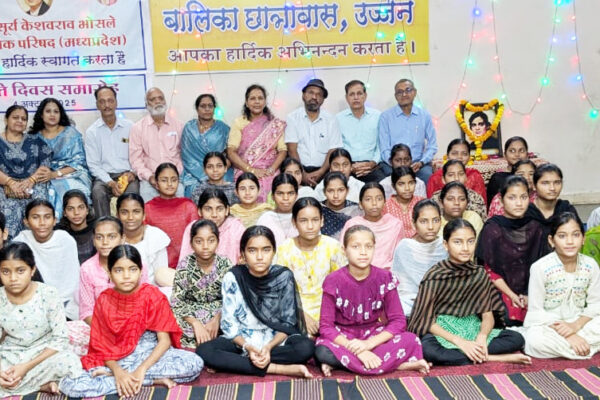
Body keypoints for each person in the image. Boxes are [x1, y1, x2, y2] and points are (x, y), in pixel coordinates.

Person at [59, 245, 203, 398]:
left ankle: (120, 378)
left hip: (150, 352)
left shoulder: (152, 294)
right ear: (109, 273)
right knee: (70, 384)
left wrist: (142, 369)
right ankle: (149, 380)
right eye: (119, 270)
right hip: (117, 357)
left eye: (132, 269)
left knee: (194, 363)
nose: (126, 276)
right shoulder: (104, 300)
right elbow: (103, 347)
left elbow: (164, 341)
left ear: (141, 271)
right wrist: (117, 371)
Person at [196, 226, 315, 377]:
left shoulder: (283, 276)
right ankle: (277, 368)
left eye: (266, 250)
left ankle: (237, 363)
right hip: (242, 341)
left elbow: (287, 324)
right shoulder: (233, 277)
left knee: (306, 348)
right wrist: (248, 347)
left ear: (273, 252)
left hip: (275, 341)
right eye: (252, 251)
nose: (259, 257)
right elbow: (229, 325)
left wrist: (268, 348)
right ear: (243, 254)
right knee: (204, 351)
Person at [408, 219, 531, 366]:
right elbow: (425, 321)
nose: (465, 248)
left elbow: (488, 316)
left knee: (516, 339)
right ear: (446, 245)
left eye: (470, 241)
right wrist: (461, 342)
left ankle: (474, 353)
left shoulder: (479, 274)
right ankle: (494, 357)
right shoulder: (434, 276)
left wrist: (482, 337)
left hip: (473, 327)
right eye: (458, 242)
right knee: (430, 350)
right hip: (443, 331)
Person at [315, 225, 429, 376]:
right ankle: (398, 365)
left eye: (368, 246)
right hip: (343, 337)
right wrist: (359, 351)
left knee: (411, 339)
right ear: (344, 250)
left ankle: (345, 364)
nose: (363, 252)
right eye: (355, 247)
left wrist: (368, 344)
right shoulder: (333, 280)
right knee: (322, 351)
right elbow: (326, 327)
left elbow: (398, 321)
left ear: (375, 248)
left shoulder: (385, 278)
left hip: (374, 336)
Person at [0, 242, 82, 397]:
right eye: (5, 272)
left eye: (20, 271)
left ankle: (22, 384)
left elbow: (60, 339)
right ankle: (40, 384)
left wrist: (26, 367)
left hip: (43, 353)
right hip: (11, 355)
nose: (13, 278)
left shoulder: (48, 294)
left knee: (69, 362)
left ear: (32, 270)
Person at [523, 212, 600, 359]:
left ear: (583, 238)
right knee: (534, 340)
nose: (570, 241)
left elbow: (595, 305)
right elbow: (536, 311)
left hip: (580, 323)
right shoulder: (540, 267)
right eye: (562, 236)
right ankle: (585, 348)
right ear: (551, 240)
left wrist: (575, 326)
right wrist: (569, 335)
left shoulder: (590, 265)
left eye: (576, 235)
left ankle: (573, 348)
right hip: (550, 326)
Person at [475, 176, 546, 325]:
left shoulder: (536, 227)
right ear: (501, 201)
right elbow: (488, 270)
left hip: (533, 288)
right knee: (503, 316)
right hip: (500, 289)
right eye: (512, 198)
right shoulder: (493, 228)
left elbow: (542, 266)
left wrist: (529, 294)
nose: (519, 203)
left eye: (523, 197)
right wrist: (512, 295)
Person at [274, 198, 346, 336]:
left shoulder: (332, 246)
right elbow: (280, 292)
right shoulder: (285, 249)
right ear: (294, 222)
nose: (310, 226)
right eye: (303, 221)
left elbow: (342, 287)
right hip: (295, 312)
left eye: (315, 220)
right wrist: (301, 315)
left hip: (330, 312)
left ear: (322, 221)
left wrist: (326, 318)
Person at [171, 220, 234, 349]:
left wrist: (217, 319)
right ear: (191, 244)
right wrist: (195, 323)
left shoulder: (225, 264)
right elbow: (177, 302)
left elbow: (232, 299)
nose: (205, 246)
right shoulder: (185, 265)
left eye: (211, 241)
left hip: (219, 312)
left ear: (218, 242)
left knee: (234, 322)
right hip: (191, 313)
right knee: (171, 320)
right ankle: (207, 344)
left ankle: (211, 344)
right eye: (199, 241)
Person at [14, 199, 79, 320]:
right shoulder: (21, 241)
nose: (42, 223)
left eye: (47, 217)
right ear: (26, 222)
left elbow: (73, 282)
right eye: (35, 217)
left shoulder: (65, 240)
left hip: (66, 303)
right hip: (32, 304)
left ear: (54, 220)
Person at [79, 217, 149, 325]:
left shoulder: (138, 265)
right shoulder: (87, 269)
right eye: (99, 237)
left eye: (111, 236)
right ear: (93, 240)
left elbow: (145, 302)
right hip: (101, 325)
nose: (105, 242)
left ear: (122, 238)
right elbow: (87, 312)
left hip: (135, 323)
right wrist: (108, 329)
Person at [29, 98, 92, 218]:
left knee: (69, 190)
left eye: (56, 111)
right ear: (41, 115)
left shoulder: (71, 133)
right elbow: (30, 164)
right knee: (36, 192)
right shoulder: (34, 137)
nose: (52, 115)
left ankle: (63, 225)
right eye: (48, 111)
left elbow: (79, 162)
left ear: (60, 114)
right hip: (43, 177)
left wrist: (55, 174)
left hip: (71, 174)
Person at [85, 86, 139, 218]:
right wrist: (110, 182)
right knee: (98, 192)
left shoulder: (130, 127)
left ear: (116, 103)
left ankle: (130, 227)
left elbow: (138, 153)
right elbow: (93, 165)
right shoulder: (92, 132)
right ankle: (105, 226)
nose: (107, 105)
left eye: (110, 100)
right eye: (102, 101)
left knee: (132, 195)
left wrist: (132, 173)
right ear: (97, 105)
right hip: (104, 177)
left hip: (127, 175)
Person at [227, 84, 287, 202]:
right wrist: (251, 170)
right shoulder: (239, 122)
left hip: (270, 170)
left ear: (265, 102)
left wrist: (271, 170)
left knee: (275, 186)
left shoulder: (275, 124)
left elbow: (283, 150)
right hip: (245, 169)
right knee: (247, 186)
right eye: (252, 98)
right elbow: (231, 151)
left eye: (260, 98)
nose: (257, 102)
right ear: (247, 102)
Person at [0, 105, 52, 239]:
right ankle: (10, 245)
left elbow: (45, 164)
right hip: (4, 186)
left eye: (23, 119)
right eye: (15, 117)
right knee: (8, 206)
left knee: (39, 200)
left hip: (32, 185)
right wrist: (10, 183)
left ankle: (39, 241)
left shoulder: (35, 140)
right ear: (6, 119)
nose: (20, 121)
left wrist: (31, 180)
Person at [392, 199, 447, 317]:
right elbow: (402, 287)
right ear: (413, 223)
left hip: (440, 300)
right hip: (411, 301)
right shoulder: (405, 246)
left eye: (435, 220)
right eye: (424, 221)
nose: (431, 227)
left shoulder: (445, 245)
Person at [129, 87, 184, 202]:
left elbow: (183, 155)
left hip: (174, 178)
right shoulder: (138, 128)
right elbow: (136, 159)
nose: (158, 101)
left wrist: (174, 175)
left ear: (165, 101)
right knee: (147, 201)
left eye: (160, 98)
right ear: (146, 105)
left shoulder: (179, 126)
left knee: (179, 198)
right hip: (150, 179)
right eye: (153, 99)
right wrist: (149, 177)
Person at [378, 79, 438, 183]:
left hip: (418, 164)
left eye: (408, 90)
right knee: (388, 180)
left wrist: (422, 162)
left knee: (428, 177)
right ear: (395, 96)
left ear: (414, 92)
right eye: (400, 92)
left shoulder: (424, 116)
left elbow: (432, 146)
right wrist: (396, 163)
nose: (404, 94)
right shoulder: (386, 117)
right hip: (393, 165)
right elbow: (384, 148)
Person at [285, 78, 342, 186]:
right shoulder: (292, 118)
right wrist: (302, 174)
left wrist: (321, 172)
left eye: (319, 94)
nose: (314, 97)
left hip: (325, 171)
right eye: (311, 93)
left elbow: (333, 149)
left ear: (323, 100)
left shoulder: (331, 120)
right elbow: (292, 150)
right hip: (299, 171)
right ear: (303, 95)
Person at [144, 163, 197, 269]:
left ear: (178, 182)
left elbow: (196, 236)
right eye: (164, 180)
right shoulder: (148, 208)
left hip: (187, 264)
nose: (169, 184)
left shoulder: (188, 206)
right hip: (157, 265)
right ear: (156, 184)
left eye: (173, 180)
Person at [339, 183, 405, 269]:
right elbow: (342, 254)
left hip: (387, 273)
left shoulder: (395, 225)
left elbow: (400, 257)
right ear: (360, 204)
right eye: (368, 199)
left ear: (385, 202)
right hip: (357, 271)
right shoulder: (353, 224)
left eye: (379, 199)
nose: (374, 203)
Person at [181, 94, 232, 197]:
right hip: (194, 173)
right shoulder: (189, 128)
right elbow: (187, 157)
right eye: (203, 106)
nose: (207, 109)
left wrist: (219, 169)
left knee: (224, 187)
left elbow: (231, 154)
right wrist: (206, 175)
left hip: (219, 171)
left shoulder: (223, 128)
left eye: (210, 106)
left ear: (214, 108)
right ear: (197, 109)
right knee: (193, 188)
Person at [179, 188, 246, 265]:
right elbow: (184, 261)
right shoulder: (193, 228)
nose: (214, 214)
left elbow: (244, 259)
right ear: (199, 211)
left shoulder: (236, 227)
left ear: (227, 210)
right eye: (208, 209)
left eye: (219, 209)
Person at [336, 80, 385, 183]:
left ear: (365, 96)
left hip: (372, 166)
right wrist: (349, 165)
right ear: (346, 98)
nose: (356, 97)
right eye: (352, 94)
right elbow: (338, 145)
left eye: (359, 93)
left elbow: (381, 144)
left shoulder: (378, 116)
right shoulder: (338, 119)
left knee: (383, 186)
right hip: (347, 167)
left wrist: (372, 163)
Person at [116, 194, 170, 287]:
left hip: (154, 290)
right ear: (117, 215)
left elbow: (162, 275)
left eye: (136, 212)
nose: (130, 217)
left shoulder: (155, 236)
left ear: (144, 215)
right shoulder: (113, 239)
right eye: (124, 212)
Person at [525, 163, 579, 249]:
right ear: (534, 186)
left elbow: (577, 238)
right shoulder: (526, 212)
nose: (552, 188)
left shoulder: (566, 209)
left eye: (557, 182)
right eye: (545, 183)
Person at [256, 173, 299, 247]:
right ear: (272, 196)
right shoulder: (265, 219)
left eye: (290, 193)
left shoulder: (303, 217)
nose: (285, 198)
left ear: (296, 195)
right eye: (280, 194)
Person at [383, 166, 425, 239]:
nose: (407, 188)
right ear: (393, 186)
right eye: (401, 184)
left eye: (411, 183)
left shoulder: (422, 203)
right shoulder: (386, 206)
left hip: (420, 242)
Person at [55, 189, 96, 264]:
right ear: (64, 213)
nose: (76, 213)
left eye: (81, 207)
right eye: (70, 209)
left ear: (87, 210)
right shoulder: (59, 233)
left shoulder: (97, 229)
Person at [486, 136, 529, 207]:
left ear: (527, 154)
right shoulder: (497, 178)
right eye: (512, 151)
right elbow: (492, 206)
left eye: (521, 151)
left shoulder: (531, 176)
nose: (517, 154)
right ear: (505, 155)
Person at [321, 172, 362, 241]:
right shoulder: (318, 209)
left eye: (340, 190)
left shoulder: (356, 210)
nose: (336, 195)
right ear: (324, 192)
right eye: (330, 191)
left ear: (347, 190)